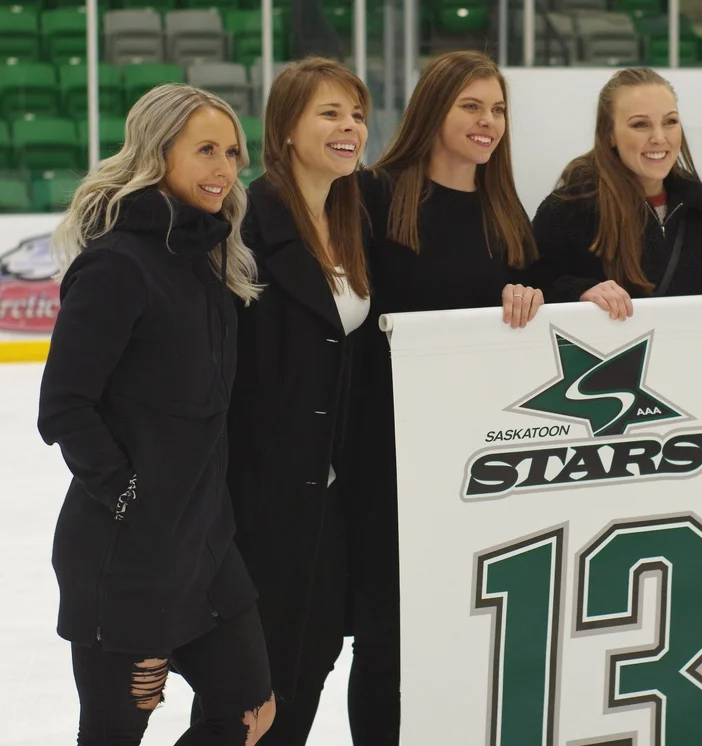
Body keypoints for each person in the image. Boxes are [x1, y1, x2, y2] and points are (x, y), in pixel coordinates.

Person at [37, 83, 275, 745]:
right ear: (157, 152)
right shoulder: (116, 265)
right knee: (115, 734)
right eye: (205, 150)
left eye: (232, 152)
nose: (225, 168)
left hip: (206, 543)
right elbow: (64, 405)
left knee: (251, 714)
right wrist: (130, 495)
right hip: (129, 555)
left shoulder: (210, 258)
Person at [347, 49, 544, 745]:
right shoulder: (373, 196)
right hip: (387, 456)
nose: (488, 122)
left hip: (481, 462)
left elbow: (540, 307)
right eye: (471, 106)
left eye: (497, 109)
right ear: (433, 110)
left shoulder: (507, 211)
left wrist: (533, 297)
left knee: (466, 632)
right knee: (384, 638)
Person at [212, 57, 371, 746]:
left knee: (312, 663)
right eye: (329, 113)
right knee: (253, 691)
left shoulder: (350, 217)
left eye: (357, 114)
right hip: (259, 499)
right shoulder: (243, 227)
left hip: (329, 497)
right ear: (284, 128)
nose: (350, 127)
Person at [531, 67, 702, 320]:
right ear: (610, 135)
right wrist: (578, 293)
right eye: (641, 124)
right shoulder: (567, 210)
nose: (659, 137)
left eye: (670, 122)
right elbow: (529, 290)